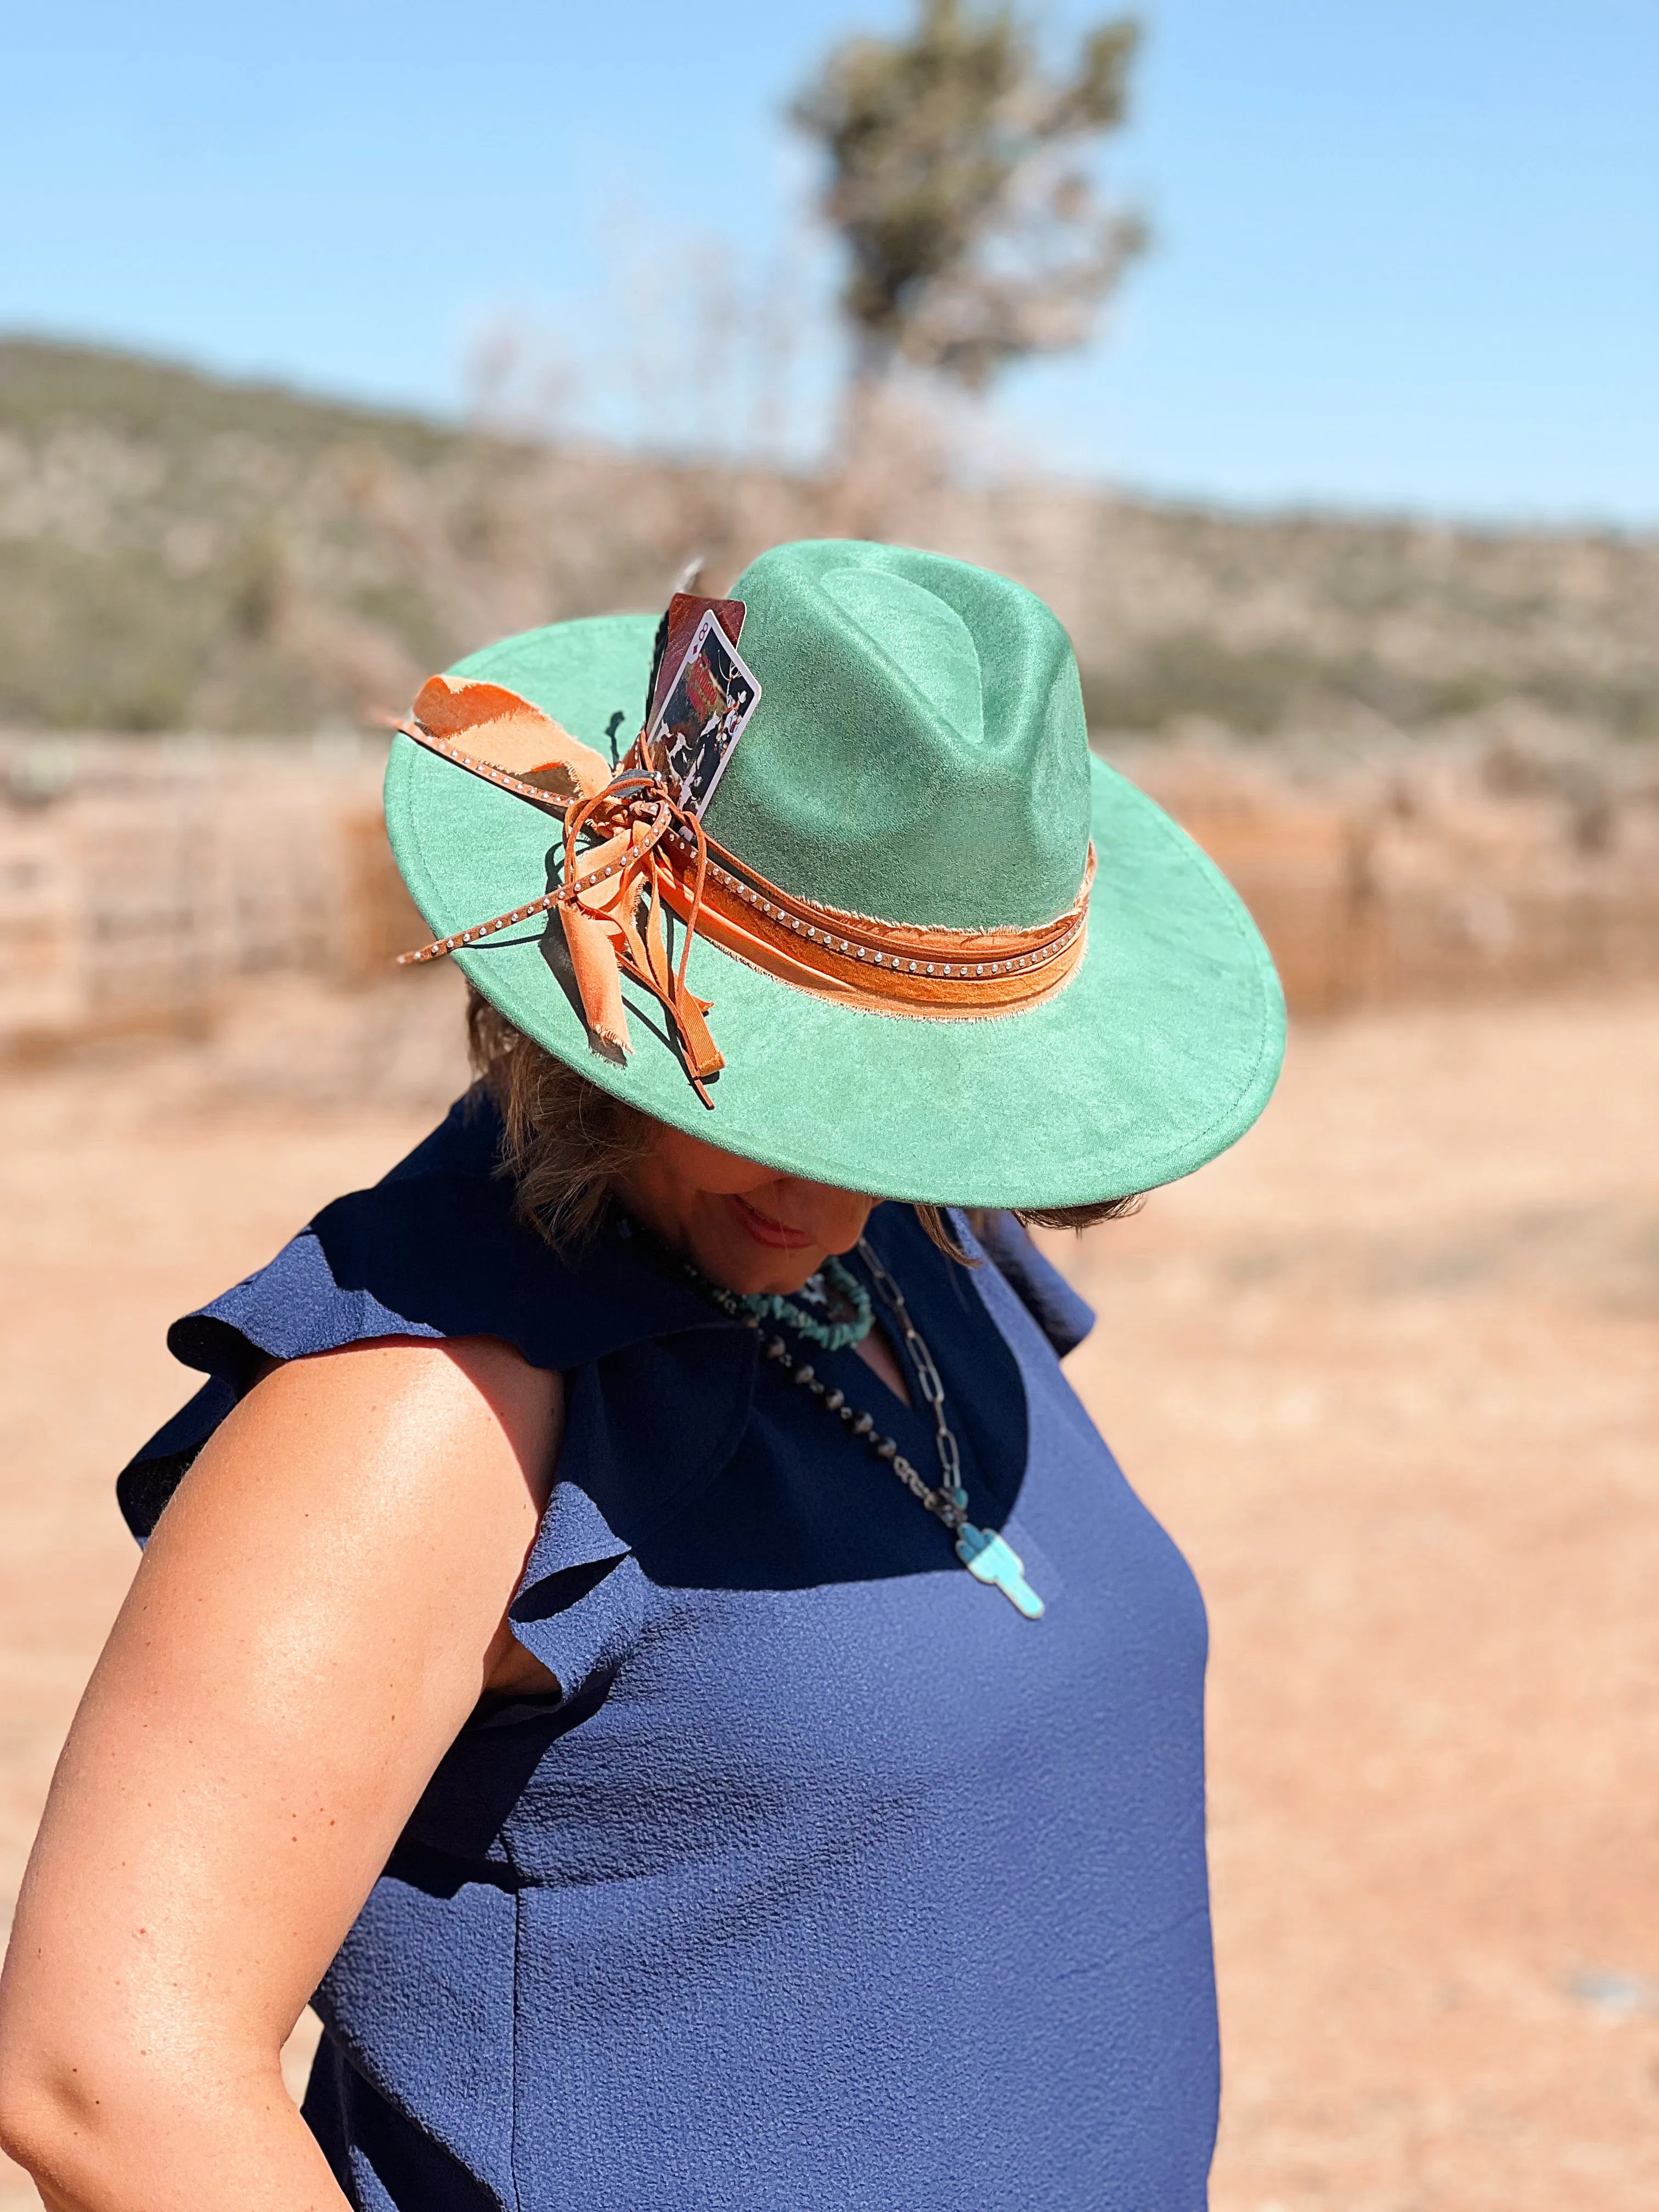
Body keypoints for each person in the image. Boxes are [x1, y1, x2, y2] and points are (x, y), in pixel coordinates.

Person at [0, 540, 1284, 2211]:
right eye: (779, 1078)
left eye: (901, 1103)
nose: (823, 1188)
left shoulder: (907, 1235)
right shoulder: (436, 1395)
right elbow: (108, 2067)